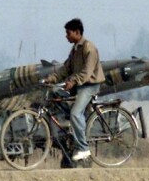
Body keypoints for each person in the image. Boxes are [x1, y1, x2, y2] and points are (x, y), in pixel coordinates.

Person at [43, 18, 105, 161]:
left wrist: (73, 80)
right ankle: (74, 121)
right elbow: (66, 68)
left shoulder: (89, 48)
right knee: (55, 93)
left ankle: (83, 148)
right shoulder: (75, 48)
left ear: (77, 32)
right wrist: (50, 79)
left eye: (68, 33)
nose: (66, 36)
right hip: (79, 85)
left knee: (76, 113)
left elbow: (87, 72)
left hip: (89, 86)